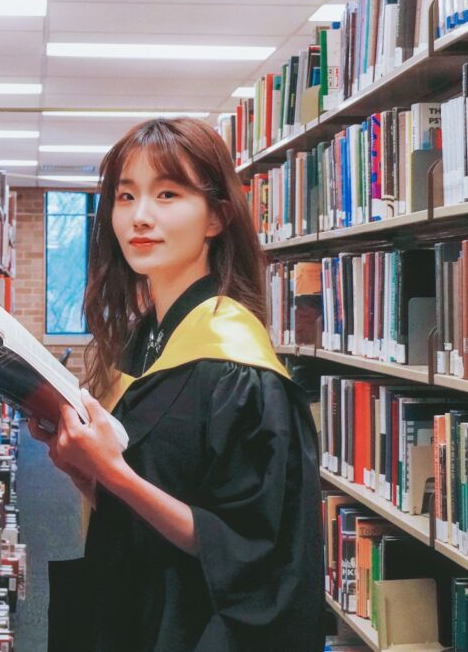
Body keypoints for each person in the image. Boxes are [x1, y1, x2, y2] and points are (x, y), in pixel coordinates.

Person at [28, 117, 324, 651]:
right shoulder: (147, 340)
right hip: (134, 609)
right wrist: (83, 470)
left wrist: (114, 475)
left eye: (168, 194)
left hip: (191, 630)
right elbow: (157, 496)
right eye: (125, 196)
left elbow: (248, 550)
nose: (140, 216)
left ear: (216, 217)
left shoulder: (237, 366)